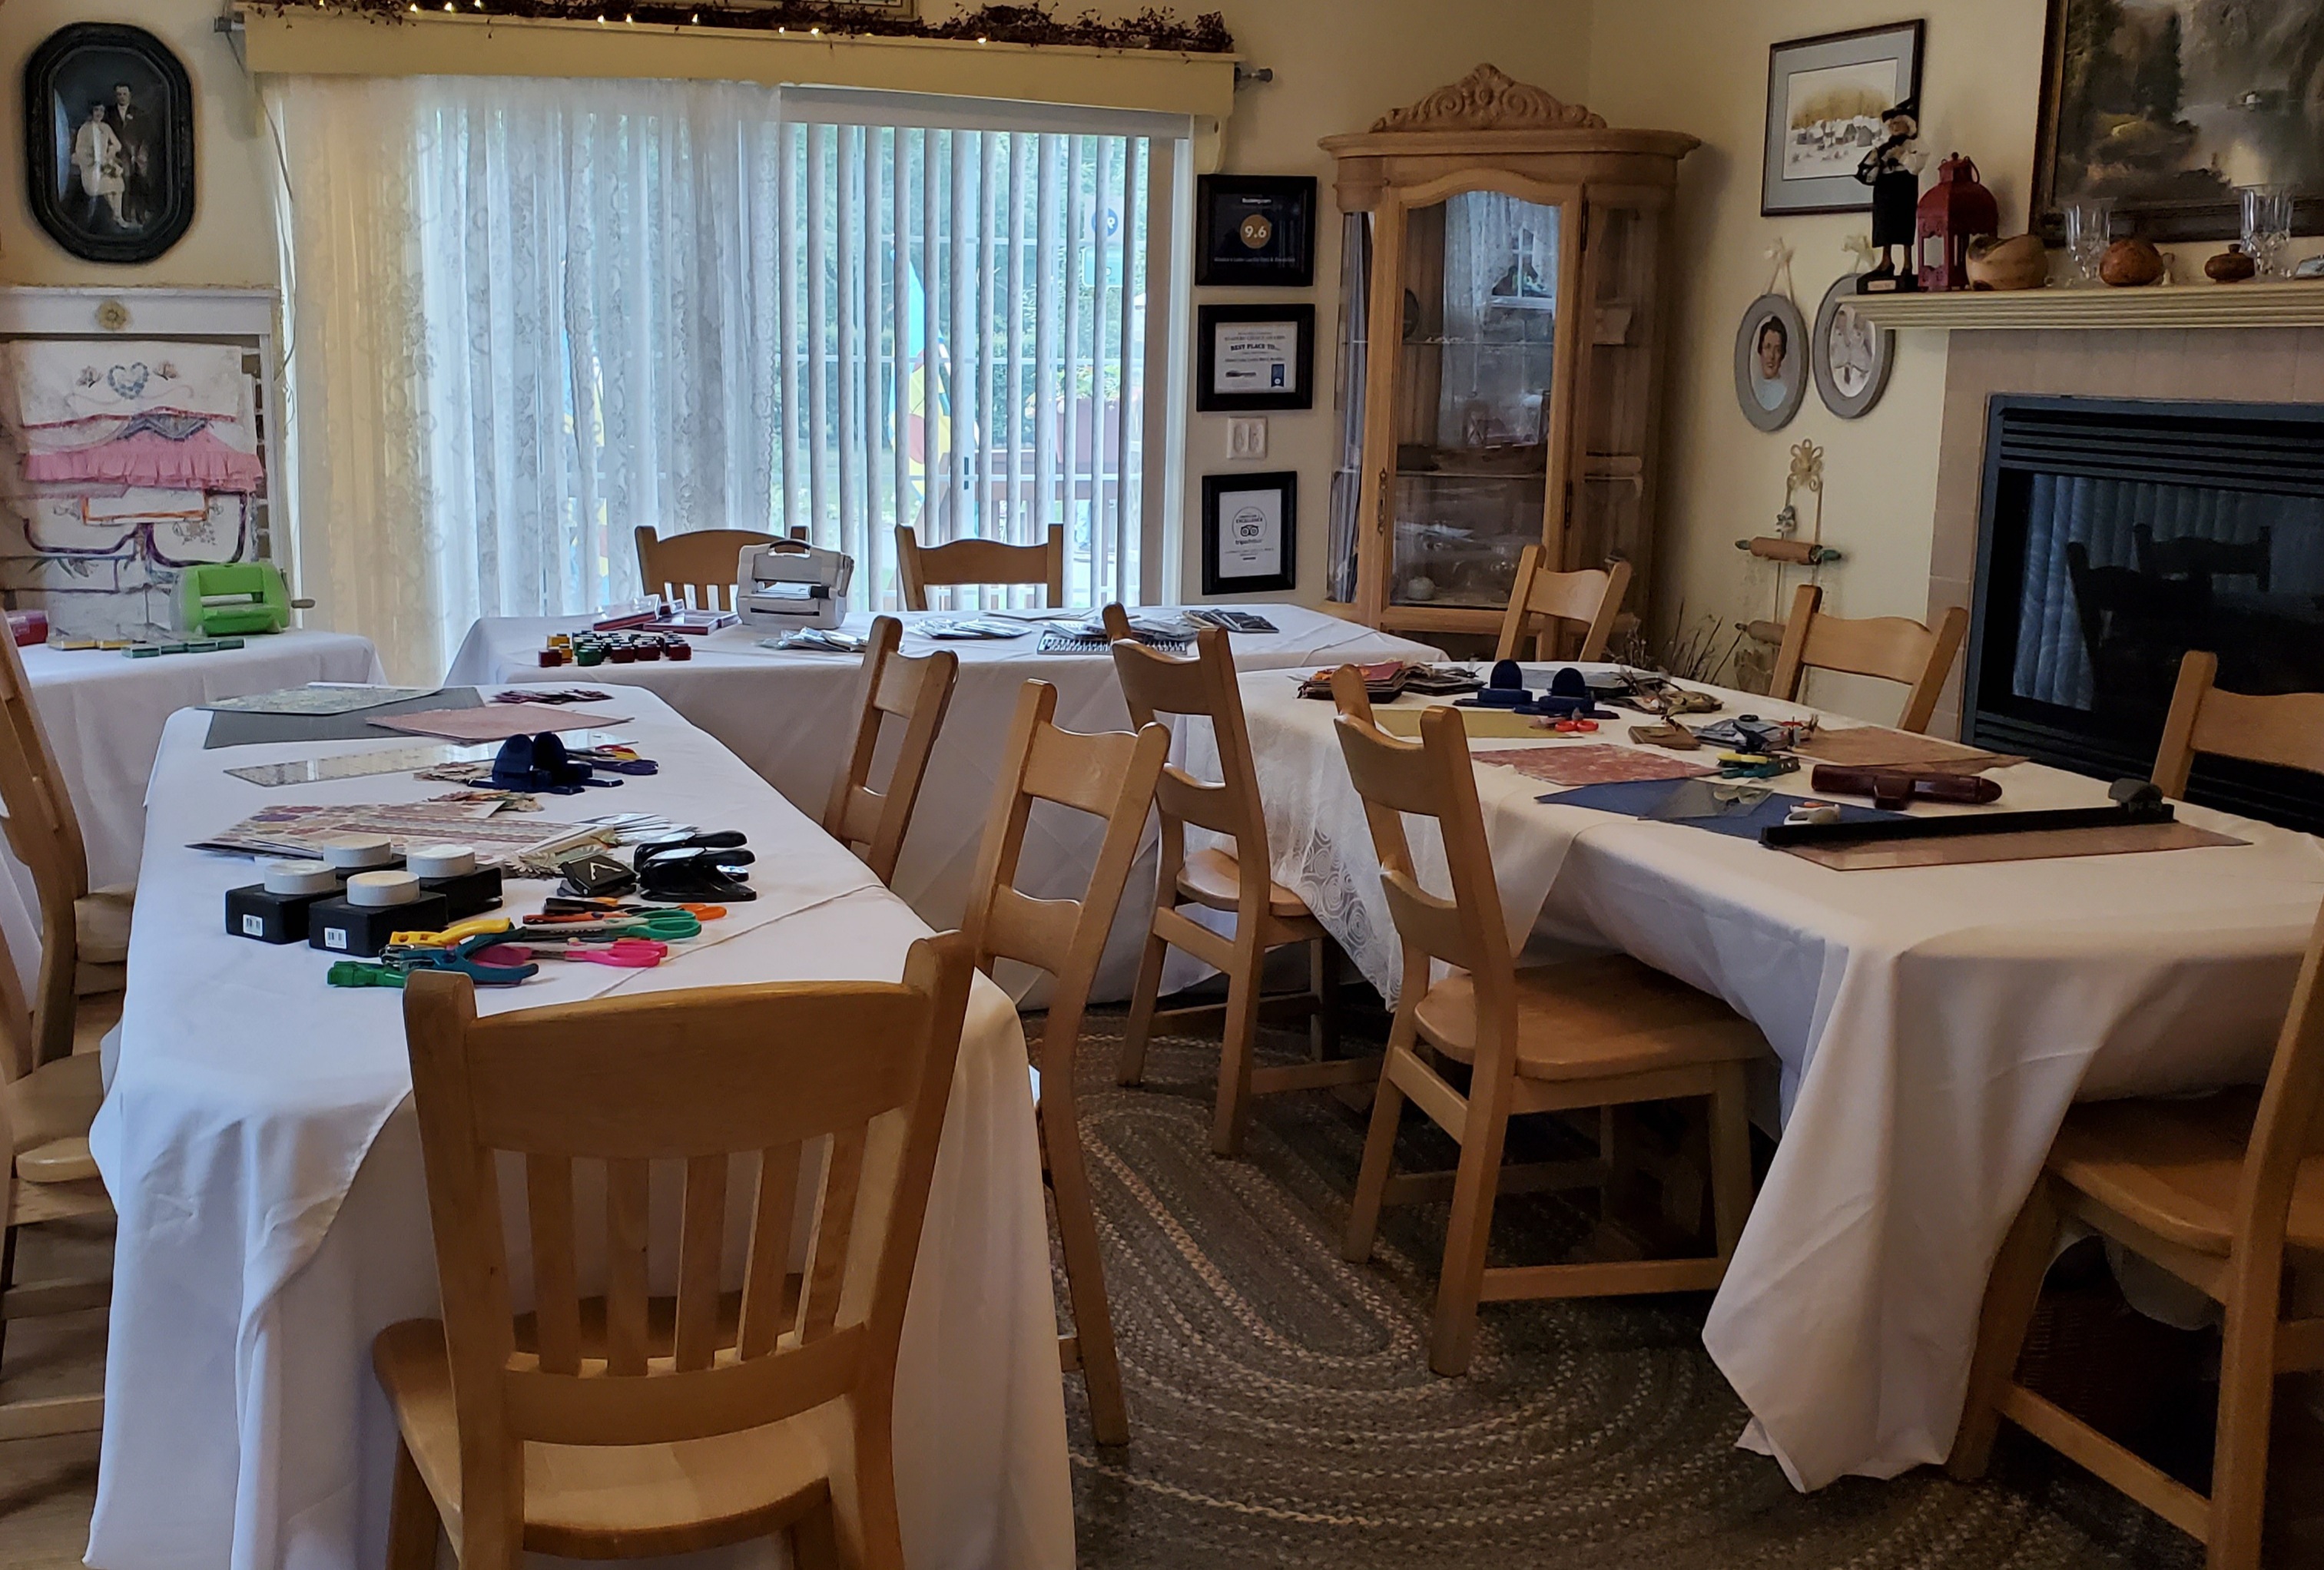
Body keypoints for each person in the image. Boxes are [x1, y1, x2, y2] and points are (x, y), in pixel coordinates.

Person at [1853, 100, 1925, 291]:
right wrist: (1875, 160)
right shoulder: (1884, 147)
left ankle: (1907, 264)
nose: (1894, 127)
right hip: (1885, 188)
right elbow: (1871, 170)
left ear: (1908, 124)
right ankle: (1886, 261)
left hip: (1904, 187)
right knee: (1884, 224)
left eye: (1898, 123)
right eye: (1891, 124)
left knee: (1904, 224)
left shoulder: (1914, 145)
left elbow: (1916, 167)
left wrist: (1902, 156)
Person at [69, 101, 125, 230]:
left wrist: (110, 152)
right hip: (90, 169)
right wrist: (94, 162)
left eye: (101, 110)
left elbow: (117, 145)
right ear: (92, 112)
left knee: (118, 183)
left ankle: (118, 216)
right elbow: (80, 150)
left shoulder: (106, 127)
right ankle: (116, 217)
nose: (99, 113)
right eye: (96, 110)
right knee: (107, 185)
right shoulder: (85, 129)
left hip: (105, 165)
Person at [107, 83, 153, 229]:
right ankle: (124, 216)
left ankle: (141, 214)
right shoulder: (109, 114)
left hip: (138, 156)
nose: (122, 97)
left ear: (130, 95)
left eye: (124, 94)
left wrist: (142, 153)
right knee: (123, 184)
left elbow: (146, 135)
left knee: (140, 183)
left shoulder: (139, 113)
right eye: (119, 94)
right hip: (118, 156)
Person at [1753, 316, 1791, 411]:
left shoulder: (1784, 393)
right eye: (1768, 347)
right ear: (1760, 350)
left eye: (1777, 350)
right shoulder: (1753, 388)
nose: (1771, 356)